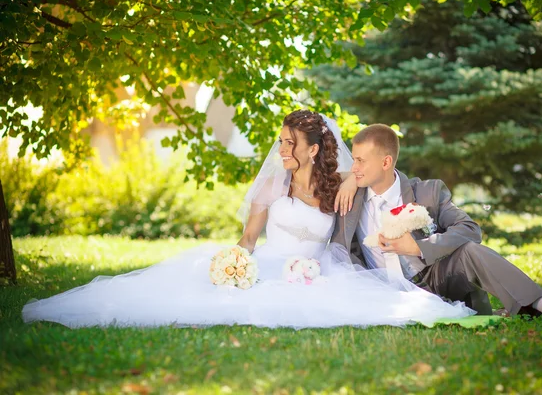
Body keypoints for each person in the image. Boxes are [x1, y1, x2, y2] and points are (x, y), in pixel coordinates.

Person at [22, 111, 474, 329]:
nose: (281, 151)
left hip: (318, 272)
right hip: (267, 263)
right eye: (280, 141)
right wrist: (236, 264)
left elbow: (368, 168)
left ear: (313, 149)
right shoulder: (271, 186)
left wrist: (354, 182)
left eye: (289, 143)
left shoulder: (339, 185)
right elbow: (249, 238)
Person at [331, 123, 542, 325]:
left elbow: (470, 229)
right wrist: (350, 180)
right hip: (381, 289)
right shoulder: (350, 198)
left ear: (386, 162)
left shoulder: (428, 192)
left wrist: (419, 248)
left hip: (434, 279)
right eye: (353, 159)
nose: (354, 168)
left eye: (361, 161)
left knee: (470, 250)